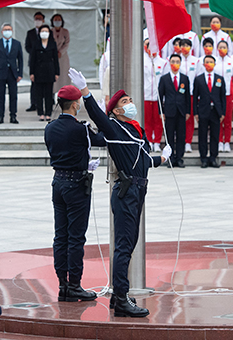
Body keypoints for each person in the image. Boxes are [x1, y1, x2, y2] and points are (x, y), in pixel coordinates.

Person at [69, 68, 171, 317]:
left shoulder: (135, 129)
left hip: (138, 189)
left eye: (130, 100)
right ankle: (123, 299)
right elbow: (96, 115)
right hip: (127, 191)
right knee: (124, 247)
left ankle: (118, 296)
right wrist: (85, 92)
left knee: (130, 243)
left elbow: (143, 160)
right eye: (125, 102)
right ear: (115, 111)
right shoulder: (114, 126)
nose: (131, 104)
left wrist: (161, 158)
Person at [45, 85, 106, 302]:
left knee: (60, 236)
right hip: (76, 184)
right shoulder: (80, 129)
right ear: (75, 104)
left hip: (58, 182)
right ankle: (75, 284)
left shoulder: (50, 127)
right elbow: (102, 139)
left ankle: (62, 283)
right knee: (76, 237)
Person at [193, 55, 227, 168]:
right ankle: (203, 158)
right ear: (203, 64)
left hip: (216, 111)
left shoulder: (219, 79)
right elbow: (195, 97)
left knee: (214, 136)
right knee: (202, 135)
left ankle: (213, 158)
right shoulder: (199, 79)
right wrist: (196, 113)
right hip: (203, 111)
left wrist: (222, 112)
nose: (209, 64)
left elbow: (223, 97)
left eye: (211, 62)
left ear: (215, 64)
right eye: (207, 62)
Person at [158, 54, 191, 168]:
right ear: (169, 63)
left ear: (180, 63)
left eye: (177, 61)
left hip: (181, 111)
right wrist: (161, 112)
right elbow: (160, 96)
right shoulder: (164, 79)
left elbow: (187, 96)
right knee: (170, 136)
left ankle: (179, 158)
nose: (175, 64)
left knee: (181, 136)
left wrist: (188, 111)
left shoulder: (185, 79)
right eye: (173, 61)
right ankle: (170, 158)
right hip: (169, 111)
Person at [0, 23, 23, 124]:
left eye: (9, 29)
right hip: (0, 73)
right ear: (2, 32)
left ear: (12, 31)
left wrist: (20, 74)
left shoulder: (17, 44)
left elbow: (20, 60)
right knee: (0, 96)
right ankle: (0, 116)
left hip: (12, 73)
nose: (7, 31)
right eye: (5, 29)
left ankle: (13, 116)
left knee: (13, 96)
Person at [25, 12, 55, 112]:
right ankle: (34, 103)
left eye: (39, 19)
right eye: (36, 19)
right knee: (35, 86)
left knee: (48, 87)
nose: (37, 21)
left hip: (47, 65)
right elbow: (27, 46)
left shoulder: (48, 33)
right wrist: (35, 53)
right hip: (35, 62)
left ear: (43, 20)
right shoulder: (30, 33)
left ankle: (49, 105)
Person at [143, 39, 168, 151]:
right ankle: (149, 140)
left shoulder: (163, 63)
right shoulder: (142, 62)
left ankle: (157, 142)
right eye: (150, 48)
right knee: (147, 120)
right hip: (146, 95)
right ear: (146, 49)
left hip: (158, 96)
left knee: (158, 120)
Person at [30, 24, 60, 121]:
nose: (44, 33)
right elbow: (32, 60)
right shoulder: (36, 44)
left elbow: (56, 59)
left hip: (49, 71)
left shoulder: (52, 44)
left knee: (48, 94)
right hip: (38, 71)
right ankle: (40, 113)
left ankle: (48, 113)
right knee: (39, 94)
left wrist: (57, 72)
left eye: (46, 31)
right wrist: (32, 73)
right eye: (42, 31)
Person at [214, 40, 233, 152]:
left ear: (228, 49)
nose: (222, 49)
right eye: (220, 47)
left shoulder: (232, 62)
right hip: (216, 95)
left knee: (227, 120)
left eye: (224, 47)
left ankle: (227, 142)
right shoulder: (214, 62)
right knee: (218, 119)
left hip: (228, 94)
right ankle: (219, 141)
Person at [179, 38, 201, 152]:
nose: (185, 48)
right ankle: (180, 141)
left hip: (192, 94)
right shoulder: (175, 60)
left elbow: (198, 78)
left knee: (190, 119)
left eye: (187, 45)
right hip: (179, 95)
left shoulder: (196, 61)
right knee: (179, 119)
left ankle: (188, 142)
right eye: (183, 45)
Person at [51, 14, 71, 93]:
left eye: (59, 20)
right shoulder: (50, 31)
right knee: (53, 75)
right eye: (55, 20)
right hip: (52, 56)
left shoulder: (65, 32)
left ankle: (65, 92)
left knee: (64, 75)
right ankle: (52, 93)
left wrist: (60, 52)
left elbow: (67, 43)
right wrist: (54, 52)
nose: (57, 21)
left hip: (63, 57)